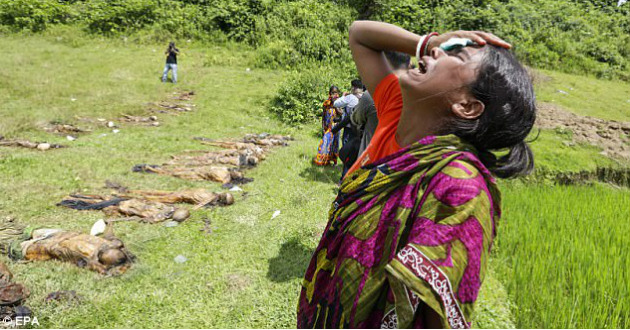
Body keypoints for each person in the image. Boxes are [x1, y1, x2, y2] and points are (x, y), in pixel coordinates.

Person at [298, 21, 535, 329]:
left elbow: (432, 310)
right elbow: (359, 34)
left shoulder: (460, 186)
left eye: (457, 57)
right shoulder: (394, 108)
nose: (437, 51)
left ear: (466, 105)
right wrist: (427, 42)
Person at [351, 51, 411, 156]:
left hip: (373, 160)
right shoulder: (419, 94)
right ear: (409, 65)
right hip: (404, 161)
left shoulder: (371, 95)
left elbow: (356, 119)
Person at [314, 86, 341, 166]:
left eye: (336, 92)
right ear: (329, 94)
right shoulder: (326, 103)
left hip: (336, 127)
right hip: (327, 127)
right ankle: (323, 160)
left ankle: (334, 161)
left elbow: (341, 114)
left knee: (334, 144)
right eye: (332, 93)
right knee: (325, 142)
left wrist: (335, 104)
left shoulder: (339, 103)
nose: (334, 94)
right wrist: (322, 127)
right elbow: (323, 116)